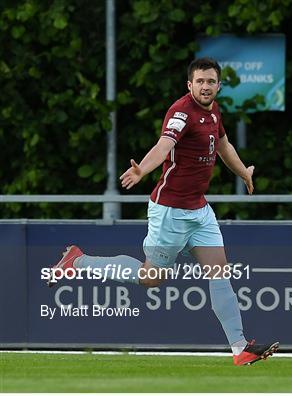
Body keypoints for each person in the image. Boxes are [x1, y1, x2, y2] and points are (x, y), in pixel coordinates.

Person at [48, 57, 279, 366]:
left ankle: (240, 348)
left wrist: (243, 173)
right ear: (190, 85)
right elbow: (163, 145)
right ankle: (79, 261)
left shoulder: (214, 112)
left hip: (199, 210)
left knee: (220, 271)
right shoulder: (181, 111)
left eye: (211, 81)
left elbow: (223, 146)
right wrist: (142, 170)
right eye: (200, 81)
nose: (205, 86)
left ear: (219, 86)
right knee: (151, 278)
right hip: (170, 211)